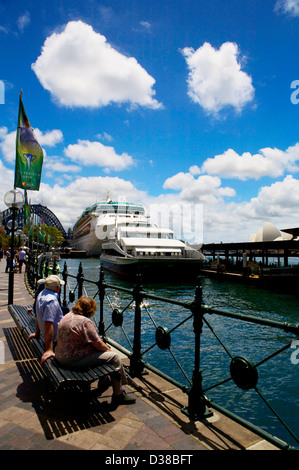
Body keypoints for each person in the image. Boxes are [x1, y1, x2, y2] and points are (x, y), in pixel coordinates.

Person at [55, 296, 136, 408]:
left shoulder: (67, 316)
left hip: (60, 356)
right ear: (90, 310)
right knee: (114, 357)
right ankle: (119, 393)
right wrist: (108, 350)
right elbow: (98, 344)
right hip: (73, 359)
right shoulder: (85, 322)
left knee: (102, 355)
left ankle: (105, 379)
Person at [28, 274, 64, 364]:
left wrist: (37, 333)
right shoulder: (51, 301)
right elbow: (49, 324)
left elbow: (39, 316)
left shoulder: (41, 294)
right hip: (57, 338)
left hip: (50, 335)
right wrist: (49, 349)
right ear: (57, 287)